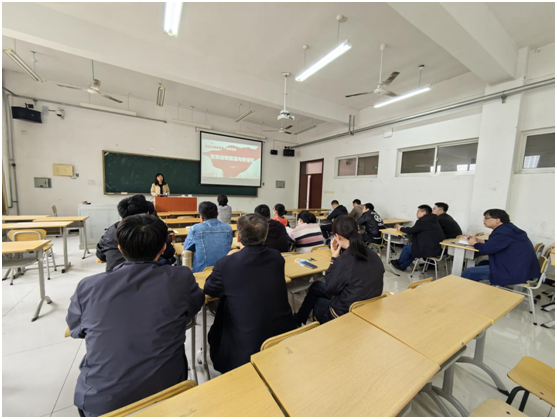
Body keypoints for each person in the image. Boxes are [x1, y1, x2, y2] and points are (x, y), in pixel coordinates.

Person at [67, 214, 204, 417]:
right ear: (163, 248)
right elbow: (194, 307)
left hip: (102, 404)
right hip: (168, 393)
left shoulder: (88, 286)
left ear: (120, 249)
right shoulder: (181, 277)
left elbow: (76, 330)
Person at [204, 213, 296, 374]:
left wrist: (229, 257)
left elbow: (209, 289)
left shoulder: (226, 264)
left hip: (245, 347)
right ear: (265, 236)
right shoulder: (277, 257)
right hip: (281, 335)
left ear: (238, 237)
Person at [294, 215, 384, 325]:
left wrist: (334, 258)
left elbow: (330, 288)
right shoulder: (374, 255)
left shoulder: (344, 261)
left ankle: (299, 321)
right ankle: (299, 319)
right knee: (316, 286)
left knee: (317, 301)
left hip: (345, 314)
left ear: (337, 237)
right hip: (368, 307)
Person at [96, 194, 176, 271]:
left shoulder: (111, 230)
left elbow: (101, 256)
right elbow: (169, 253)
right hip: (151, 275)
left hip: (115, 275)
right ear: (147, 213)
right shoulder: (154, 228)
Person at [462, 209, 540, 286]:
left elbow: (487, 250)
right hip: (522, 267)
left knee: (469, 272)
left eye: (486, 218)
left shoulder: (502, 232)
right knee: (482, 263)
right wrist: (480, 240)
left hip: (513, 271)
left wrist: (474, 243)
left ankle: (462, 292)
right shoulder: (508, 228)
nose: (484, 220)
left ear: (497, 220)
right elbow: (498, 244)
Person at [391, 205, 445, 272]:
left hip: (430, 249)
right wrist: (405, 228)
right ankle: (403, 266)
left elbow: (411, 231)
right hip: (438, 248)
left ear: (424, 212)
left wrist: (401, 228)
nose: (416, 213)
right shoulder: (432, 220)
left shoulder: (423, 221)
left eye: (418, 211)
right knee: (413, 248)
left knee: (407, 248)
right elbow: (415, 229)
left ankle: (399, 262)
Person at [183, 201, 233, 273]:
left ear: (201, 217)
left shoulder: (195, 229)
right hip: (224, 271)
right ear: (217, 214)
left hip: (202, 272)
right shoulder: (228, 228)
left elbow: (187, 248)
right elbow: (228, 245)